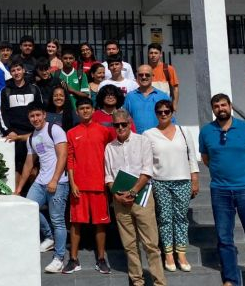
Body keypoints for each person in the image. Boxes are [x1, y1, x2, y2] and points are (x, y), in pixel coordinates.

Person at [199, 94, 245, 286]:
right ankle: (230, 279)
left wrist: (244, 174)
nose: (220, 108)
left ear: (230, 106)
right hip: (220, 191)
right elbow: (206, 159)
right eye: (216, 106)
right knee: (224, 238)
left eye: (223, 105)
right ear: (213, 109)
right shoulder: (206, 132)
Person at [104, 108, 166, 286]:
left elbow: (147, 170)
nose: (121, 128)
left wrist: (132, 192)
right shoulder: (110, 147)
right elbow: (108, 176)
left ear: (130, 124)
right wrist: (117, 195)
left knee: (151, 244)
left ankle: (159, 282)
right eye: (117, 125)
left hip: (142, 198)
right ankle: (137, 281)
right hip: (120, 201)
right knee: (129, 245)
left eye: (124, 124)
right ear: (113, 126)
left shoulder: (143, 141)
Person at [144, 99, 199, 272]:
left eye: (166, 111)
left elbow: (192, 156)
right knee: (165, 218)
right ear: (156, 114)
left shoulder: (183, 131)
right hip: (161, 182)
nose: (163, 115)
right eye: (160, 112)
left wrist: (194, 179)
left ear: (172, 113)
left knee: (181, 218)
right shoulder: (149, 134)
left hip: (183, 180)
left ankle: (181, 253)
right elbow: (146, 161)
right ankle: (168, 254)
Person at [15, 102, 69, 274]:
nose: (35, 119)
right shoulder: (32, 137)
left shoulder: (55, 130)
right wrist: (18, 189)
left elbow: (63, 156)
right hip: (40, 181)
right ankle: (49, 236)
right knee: (28, 207)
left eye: (38, 115)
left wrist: (54, 180)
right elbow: (29, 164)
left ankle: (59, 258)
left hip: (58, 181)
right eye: (32, 116)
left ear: (44, 114)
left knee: (58, 220)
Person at [63, 97, 115, 275]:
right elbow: (70, 159)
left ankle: (101, 259)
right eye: (82, 108)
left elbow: (112, 155)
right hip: (79, 185)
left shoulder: (104, 131)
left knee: (100, 224)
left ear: (93, 110)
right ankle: (73, 259)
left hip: (99, 185)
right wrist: (72, 182)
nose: (85, 111)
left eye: (88, 108)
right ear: (77, 112)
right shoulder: (71, 133)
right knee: (76, 223)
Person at [0, 60, 44, 182]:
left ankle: (35, 195)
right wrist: (9, 131)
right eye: (13, 70)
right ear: (10, 73)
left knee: (37, 164)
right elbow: (2, 113)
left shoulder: (34, 88)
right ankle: (18, 194)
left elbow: (41, 111)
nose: (16, 72)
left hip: (34, 134)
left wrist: (39, 130)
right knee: (17, 167)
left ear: (23, 70)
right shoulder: (5, 91)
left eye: (18, 69)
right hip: (15, 135)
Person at [124, 64, 172, 133]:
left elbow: (170, 120)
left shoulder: (163, 96)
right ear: (136, 77)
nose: (144, 77)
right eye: (141, 75)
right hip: (137, 139)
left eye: (147, 75)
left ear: (152, 76)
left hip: (158, 139)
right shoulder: (130, 97)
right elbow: (124, 119)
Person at [148, 43, 180, 111]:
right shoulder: (145, 70)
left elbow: (175, 88)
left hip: (165, 107)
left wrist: (174, 104)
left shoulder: (168, 69)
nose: (153, 55)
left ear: (161, 54)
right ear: (148, 54)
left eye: (156, 53)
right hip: (149, 106)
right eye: (151, 53)